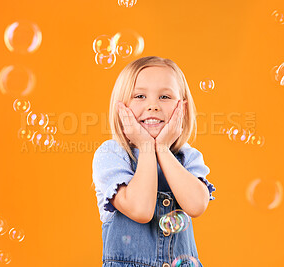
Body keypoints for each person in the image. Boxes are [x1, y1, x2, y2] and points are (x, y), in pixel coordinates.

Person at [92, 56, 216, 267]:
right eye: (140, 95)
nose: (153, 106)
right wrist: (147, 147)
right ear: (121, 108)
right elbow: (141, 210)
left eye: (165, 97)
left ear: (182, 109)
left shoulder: (187, 157)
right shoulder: (112, 155)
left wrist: (163, 149)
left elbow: (196, 205)